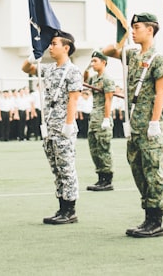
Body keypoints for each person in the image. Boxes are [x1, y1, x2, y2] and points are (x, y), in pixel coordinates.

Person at [103, 12, 163, 238]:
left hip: (149, 126)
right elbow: (106, 52)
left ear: (150, 30)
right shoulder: (132, 55)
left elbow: (161, 92)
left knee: (152, 172)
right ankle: (147, 217)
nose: (133, 30)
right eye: (131, 27)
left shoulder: (157, 58)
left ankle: (156, 221)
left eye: (137, 27)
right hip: (134, 125)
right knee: (138, 170)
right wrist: (120, 37)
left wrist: (154, 122)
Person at [21, 30, 81, 225]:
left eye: (54, 43)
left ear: (66, 47)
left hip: (63, 126)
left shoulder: (73, 71)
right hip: (49, 126)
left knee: (67, 168)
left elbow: (73, 99)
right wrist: (33, 55)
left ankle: (70, 209)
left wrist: (69, 124)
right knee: (56, 168)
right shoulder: (49, 69)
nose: (50, 47)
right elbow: (26, 68)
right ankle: (61, 206)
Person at [84, 50, 116, 192]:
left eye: (95, 61)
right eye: (92, 61)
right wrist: (87, 67)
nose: (93, 64)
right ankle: (100, 178)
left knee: (103, 149)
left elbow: (109, 99)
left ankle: (107, 179)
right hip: (94, 118)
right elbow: (84, 80)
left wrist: (107, 119)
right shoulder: (94, 79)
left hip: (103, 117)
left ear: (104, 62)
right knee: (94, 149)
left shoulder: (107, 79)